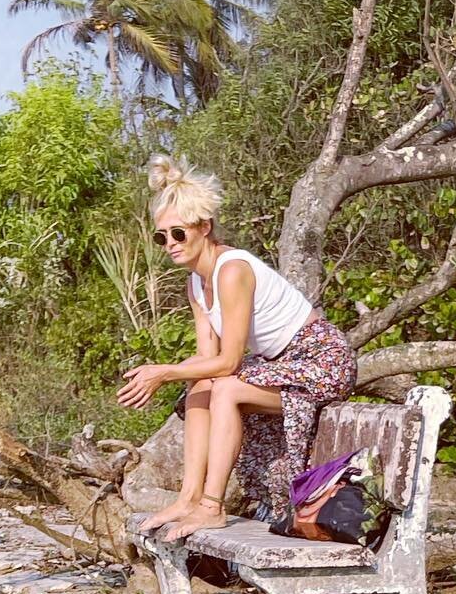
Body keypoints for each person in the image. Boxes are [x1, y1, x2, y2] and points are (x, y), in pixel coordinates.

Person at [118, 155, 357, 541]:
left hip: (321, 360)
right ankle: (189, 497)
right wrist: (166, 372)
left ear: (204, 227)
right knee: (199, 386)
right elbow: (205, 359)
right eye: (161, 237)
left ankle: (213, 506)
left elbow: (228, 362)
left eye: (178, 233)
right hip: (282, 366)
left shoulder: (232, 270)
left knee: (225, 385)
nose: (170, 245)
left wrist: (163, 372)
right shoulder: (196, 283)